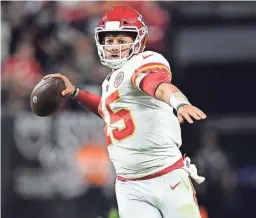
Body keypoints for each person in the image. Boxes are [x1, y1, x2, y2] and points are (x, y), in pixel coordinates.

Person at [44, 6, 207, 218]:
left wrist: (180, 103)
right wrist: (76, 93)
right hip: (129, 185)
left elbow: (158, 86)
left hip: (167, 177)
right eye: (109, 41)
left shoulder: (143, 63)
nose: (114, 46)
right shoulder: (110, 81)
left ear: (138, 40)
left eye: (121, 41)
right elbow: (108, 111)